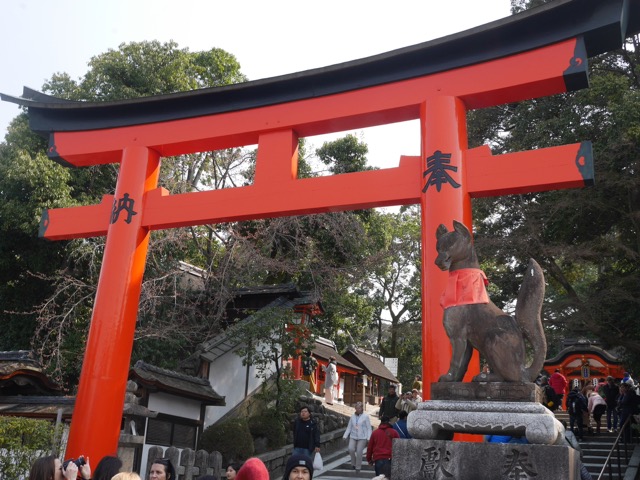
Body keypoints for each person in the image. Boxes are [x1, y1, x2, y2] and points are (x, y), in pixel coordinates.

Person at [343, 401, 371, 472]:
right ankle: (353, 463)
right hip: (353, 436)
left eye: (359, 408)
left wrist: (368, 437)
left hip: (362, 437)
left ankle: (358, 467)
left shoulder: (365, 416)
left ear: (362, 408)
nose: (358, 409)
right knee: (350, 449)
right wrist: (345, 435)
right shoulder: (352, 417)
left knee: (359, 451)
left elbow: (369, 428)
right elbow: (349, 427)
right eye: (357, 408)